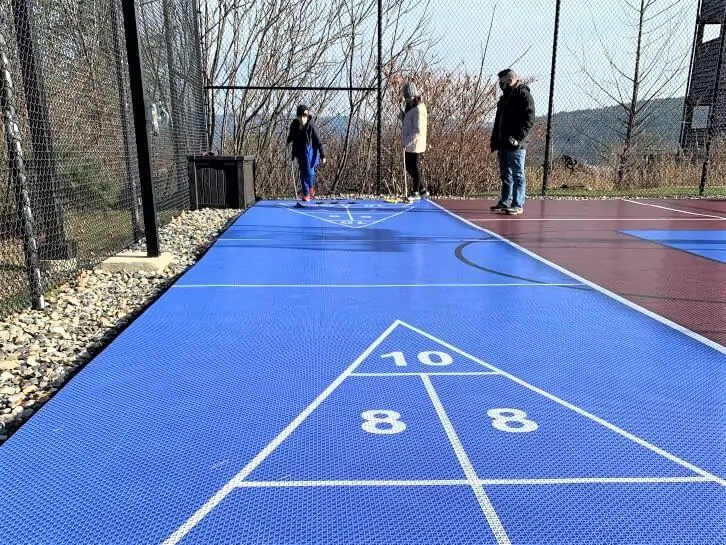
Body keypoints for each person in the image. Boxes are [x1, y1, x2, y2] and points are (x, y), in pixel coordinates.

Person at [489, 68, 535, 215]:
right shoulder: (504, 98)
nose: (500, 85)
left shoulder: (523, 94)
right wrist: (496, 138)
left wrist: (518, 137)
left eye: (502, 82)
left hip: (516, 143)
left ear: (509, 80)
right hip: (503, 142)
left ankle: (517, 203)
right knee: (505, 173)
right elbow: (499, 121)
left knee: (517, 173)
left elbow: (529, 118)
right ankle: (505, 200)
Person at [287, 104, 326, 201]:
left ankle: (311, 187)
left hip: (310, 153)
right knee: (302, 173)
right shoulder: (295, 125)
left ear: (307, 117)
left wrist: (323, 155)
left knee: (310, 173)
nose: (302, 119)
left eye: (304, 117)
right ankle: (306, 193)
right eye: (300, 117)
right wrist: (288, 141)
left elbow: (319, 141)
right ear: (297, 117)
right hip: (300, 152)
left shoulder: (311, 126)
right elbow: (291, 135)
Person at [400, 81, 429, 200]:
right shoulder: (410, 106)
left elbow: (417, 130)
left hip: (415, 142)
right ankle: (422, 189)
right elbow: (407, 122)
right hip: (409, 141)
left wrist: (406, 142)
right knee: (408, 166)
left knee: (414, 166)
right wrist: (402, 114)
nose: (408, 99)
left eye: (409, 97)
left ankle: (416, 191)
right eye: (406, 97)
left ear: (415, 95)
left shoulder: (419, 109)